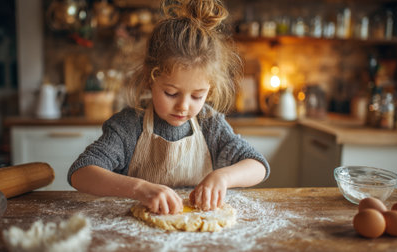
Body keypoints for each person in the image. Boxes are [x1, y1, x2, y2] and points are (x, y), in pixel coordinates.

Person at [68, 0, 270, 215]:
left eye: (197, 96)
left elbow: (258, 165)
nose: (183, 106)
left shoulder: (210, 123)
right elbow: (81, 172)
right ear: (150, 79)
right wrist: (139, 188)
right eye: (171, 93)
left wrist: (223, 177)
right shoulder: (129, 126)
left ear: (209, 91)